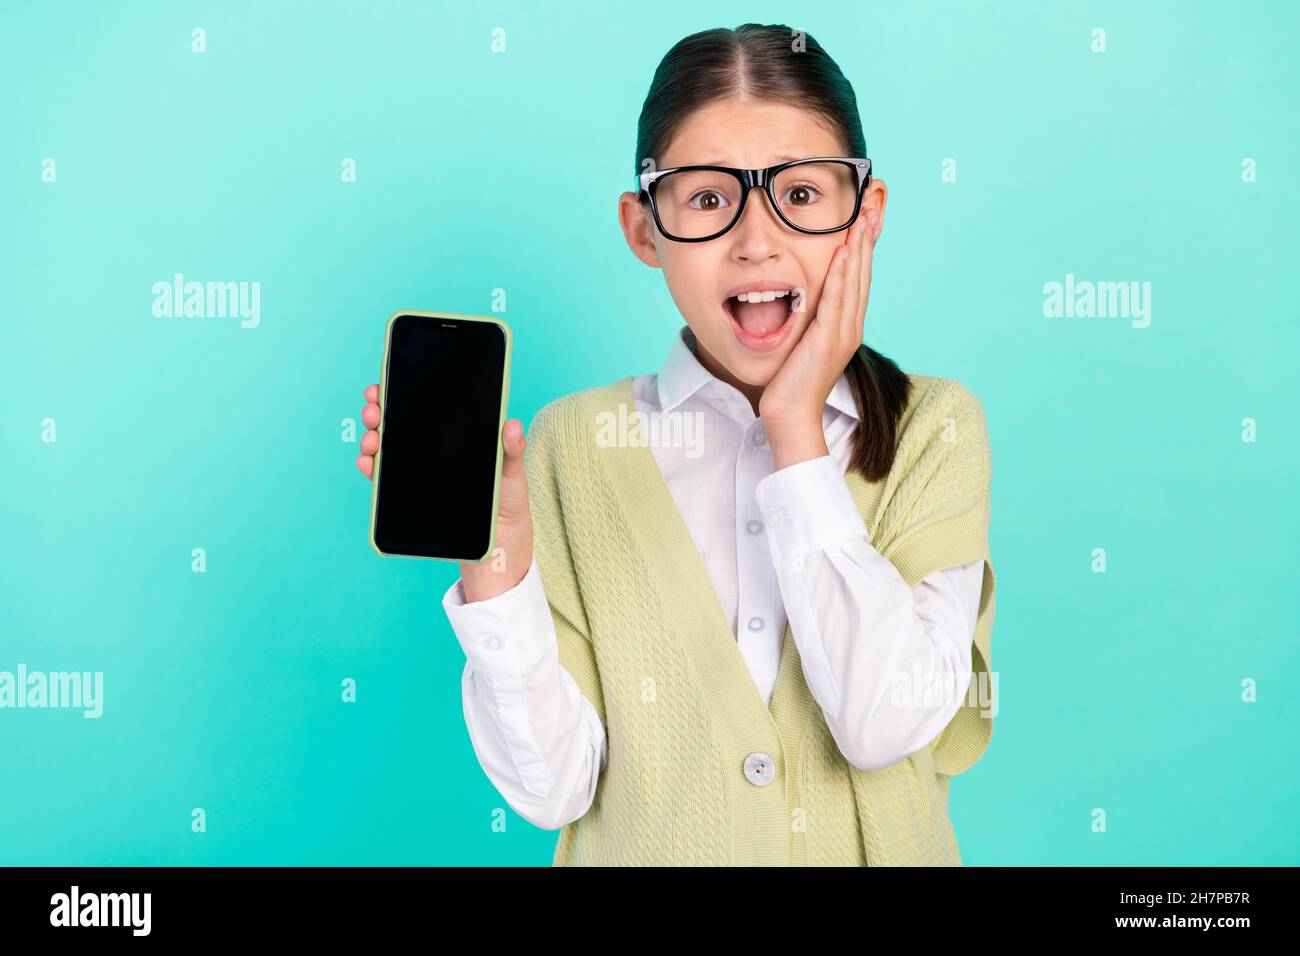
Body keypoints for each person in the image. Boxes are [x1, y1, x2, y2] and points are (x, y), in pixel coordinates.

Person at [358, 22, 996, 866]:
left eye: (801, 195)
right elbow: (553, 789)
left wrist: (795, 427)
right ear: (644, 229)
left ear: (866, 216)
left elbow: (884, 722)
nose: (756, 239)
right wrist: (497, 565)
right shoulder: (572, 447)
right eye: (705, 198)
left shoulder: (935, 428)